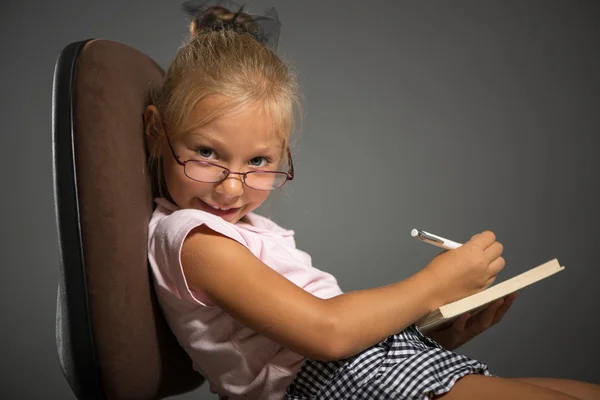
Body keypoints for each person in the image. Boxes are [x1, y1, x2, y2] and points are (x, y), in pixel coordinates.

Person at [144, 2, 600, 399]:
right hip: (329, 382)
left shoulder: (241, 230)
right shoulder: (195, 239)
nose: (232, 188)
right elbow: (329, 333)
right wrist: (434, 284)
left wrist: (434, 329)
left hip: (365, 369)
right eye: (206, 153)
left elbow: (316, 338)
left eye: (260, 161)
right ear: (156, 132)